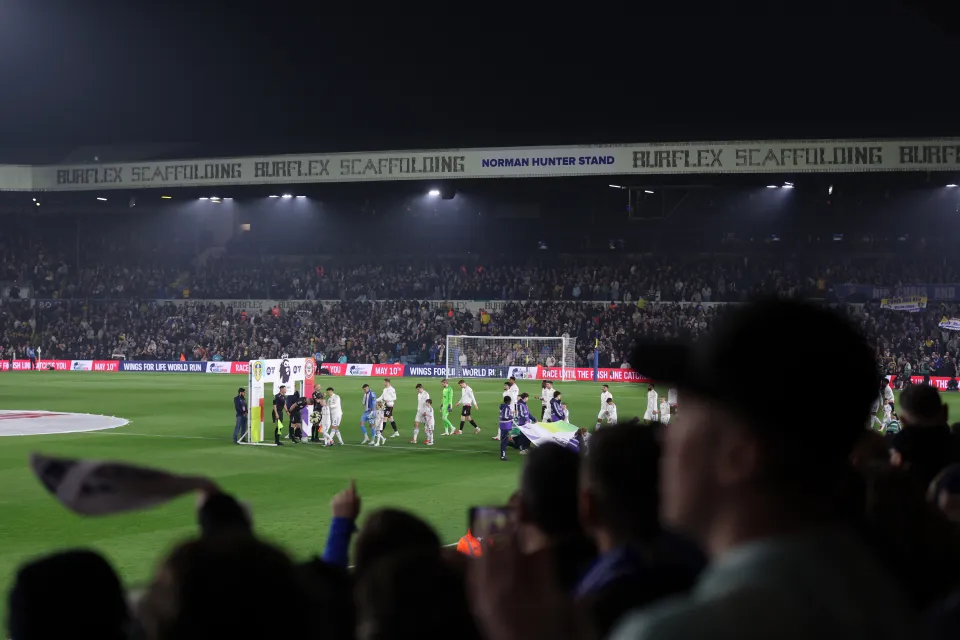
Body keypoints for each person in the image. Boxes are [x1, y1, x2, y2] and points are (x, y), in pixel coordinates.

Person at [608, 298, 917, 639]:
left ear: (740, 454)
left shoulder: (674, 631)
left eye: (686, 415)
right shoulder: (886, 599)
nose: (664, 436)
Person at [499, 395, 514, 460]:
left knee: (505, 440)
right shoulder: (506, 407)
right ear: (508, 401)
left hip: (503, 425)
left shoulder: (503, 407)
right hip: (505, 426)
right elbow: (505, 417)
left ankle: (503, 454)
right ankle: (503, 456)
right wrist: (511, 417)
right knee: (504, 441)